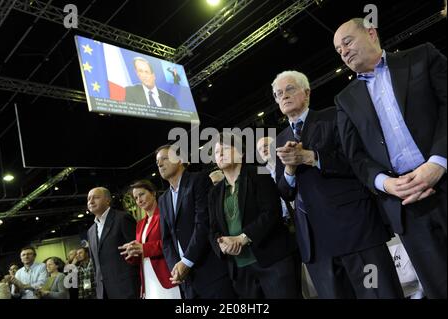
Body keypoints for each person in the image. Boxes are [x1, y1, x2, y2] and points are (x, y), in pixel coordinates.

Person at [333, 18, 447, 298]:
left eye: (347, 42)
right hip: (405, 205)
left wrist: (438, 162)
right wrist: (386, 184)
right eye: (338, 51)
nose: (344, 52)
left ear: (371, 32)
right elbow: (355, 156)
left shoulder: (422, 56)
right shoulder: (345, 100)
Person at [273, 70, 404, 299]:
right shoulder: (280, 140)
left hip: (356, 233)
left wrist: (311, 158)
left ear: (307, 92)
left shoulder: (335, 116)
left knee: (377, 293)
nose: (283, 96)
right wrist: (290, 169)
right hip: (317, 247)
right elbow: (285, 191)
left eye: (290, 89)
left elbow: (358, 162)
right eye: (278, 93)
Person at [208, 132, 300, 298]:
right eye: (216, 152)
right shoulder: (214, 192)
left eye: (226, 148)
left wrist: (242, 238)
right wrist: (220, 245)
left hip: (272, 261)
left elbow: (272, 212)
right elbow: (212, 229)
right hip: (241, 270)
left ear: (241, 153)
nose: (220, 154)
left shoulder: (260, 173)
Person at [156, 145, 235, 299]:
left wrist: (187, 261)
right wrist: (176, 268)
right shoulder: (163, 199)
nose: (159, 164)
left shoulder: (198, 180)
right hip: (187, 281)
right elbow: (166, 240)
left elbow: (203, 224)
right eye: (157, 162)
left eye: (164, 159)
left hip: (210, 272)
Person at [119, 180, 181, 299]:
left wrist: (144, 248)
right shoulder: (140, 224)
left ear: (153, 193)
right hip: (148, 279)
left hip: (167, 276)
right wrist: (132, 253)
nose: (139, 200)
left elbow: (173, 242)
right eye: (136, 198)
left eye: (141, 194)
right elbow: (142, 254)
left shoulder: (165, 215)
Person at [86, 187, 140, 299]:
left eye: (95, 197)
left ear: (107, 200)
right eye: (88, 199)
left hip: (126, 288)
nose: (91, 201)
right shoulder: (90, 231)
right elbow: (96, 264)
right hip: (103, 291)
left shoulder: (122, 218)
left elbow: (137, 252)